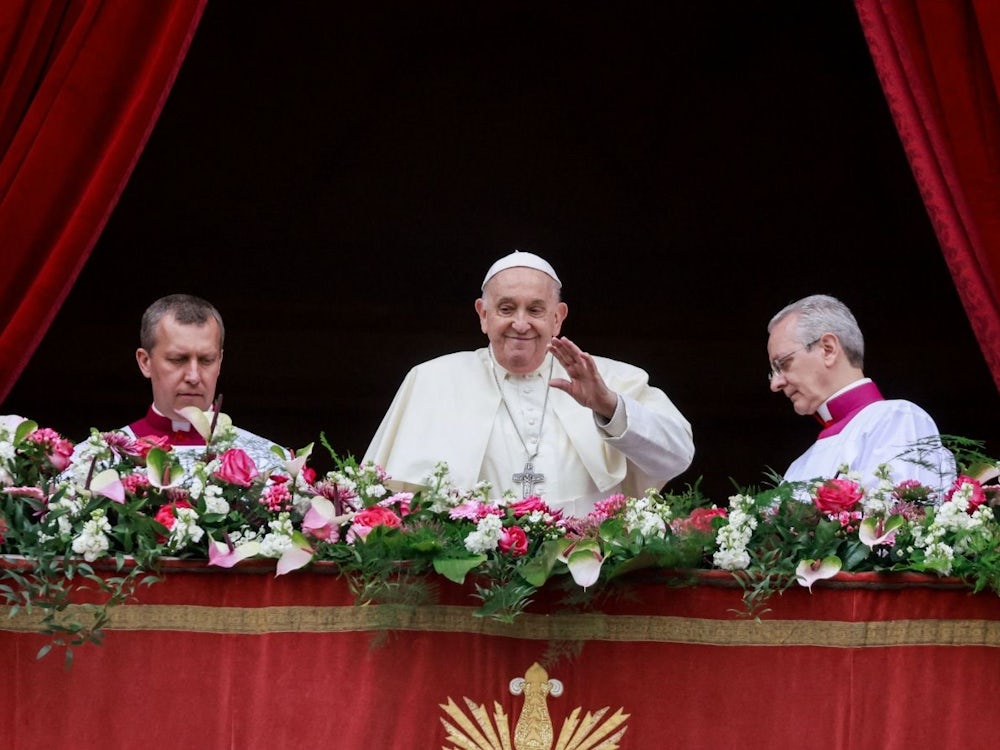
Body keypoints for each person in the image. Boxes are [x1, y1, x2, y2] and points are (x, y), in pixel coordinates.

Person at [363, 250, 695, 517]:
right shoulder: (433, 380)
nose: (520, 323)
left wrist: (608, 405)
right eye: (506, 308)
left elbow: (677, 457)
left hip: (591, 581)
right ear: (483, 314)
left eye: (535, 309)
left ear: (557, 317)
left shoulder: (610, 379)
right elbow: (379, 499)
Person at [766, 293, 955, 492]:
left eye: (783, 364)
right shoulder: (797, 468)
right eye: (773, 372)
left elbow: (907, 518)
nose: (776, 384)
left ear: (828, 349)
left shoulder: (897, 418)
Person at [122, 293, 280, 470]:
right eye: (177, 359)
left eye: (206, 360)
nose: (193, 376)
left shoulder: (269, 464)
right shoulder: (98, 461)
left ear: (219, 362)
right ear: (145, 362)